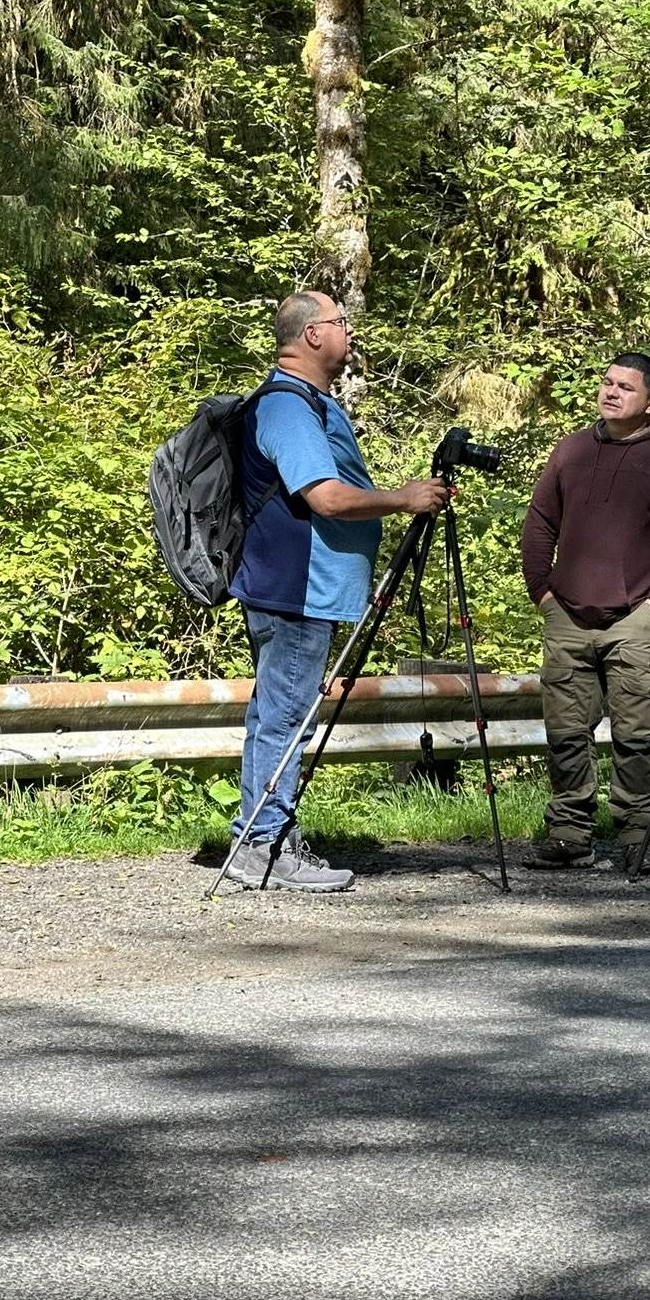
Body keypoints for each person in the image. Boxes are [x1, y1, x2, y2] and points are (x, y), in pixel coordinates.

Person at [226, 290, 449, 891]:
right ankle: (264, 845)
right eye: (341, 322)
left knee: (277, 713)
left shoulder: (308, 403)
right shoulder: (289, 408)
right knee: (287, 716)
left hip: (301, 588)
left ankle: (261, 836)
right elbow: (323, 496)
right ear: (312, 335)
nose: (350, 332)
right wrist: (404, 498)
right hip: (298, 589)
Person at [520, 353, 650, 873]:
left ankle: (638, 838)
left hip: (638, 619)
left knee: (640, 735)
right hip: (567, 616)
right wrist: (543, 591)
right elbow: (540, 523)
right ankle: (568, 837)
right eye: (607, 383)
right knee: (564, 732)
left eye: (625, 387)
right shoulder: (572, 450)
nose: (611, 392)